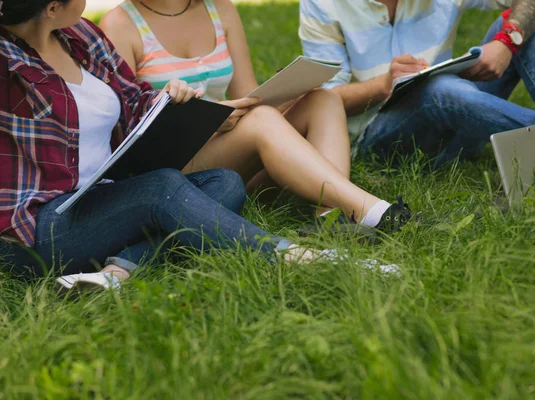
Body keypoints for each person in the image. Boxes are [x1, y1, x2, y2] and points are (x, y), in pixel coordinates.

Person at [0, 0, 395, 293]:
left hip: (101, 199)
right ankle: (295, 257)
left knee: (224, 183)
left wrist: (172, 103)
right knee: (163, 188)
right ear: (52, 7)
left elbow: (135, 100)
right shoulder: (8, 64)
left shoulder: (81, 36)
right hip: (40, 226)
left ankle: (114, 273)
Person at [98, 0, 413, 229]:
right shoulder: (120, 24)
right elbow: (125, 134)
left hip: (233, 150)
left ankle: (330, 219)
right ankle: (373, 211)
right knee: (261, 122)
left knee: (324, 100)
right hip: (176, 172)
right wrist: (207, 120)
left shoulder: (219, 8)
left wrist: (289, 92)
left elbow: (250, 98)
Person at [299, 0, 535, 171]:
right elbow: (323, 98)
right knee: (440, 90)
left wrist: (508, 41)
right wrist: (384, 84)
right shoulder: (322, 4)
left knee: (527, 23)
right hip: (382, 142)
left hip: (461, 116)